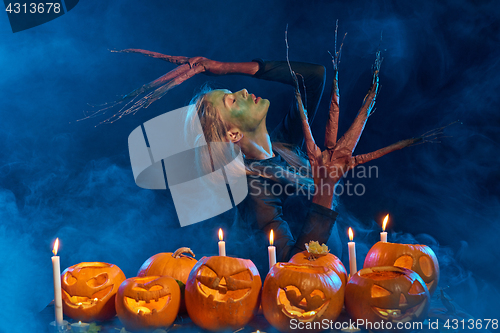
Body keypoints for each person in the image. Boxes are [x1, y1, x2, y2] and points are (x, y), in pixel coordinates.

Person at [184, 58, 344, 268]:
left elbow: (313, 76)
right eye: (231, 101)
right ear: (233, 134)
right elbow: (293, 266)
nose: (242, 91)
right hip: (312, 293)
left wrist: (227, 67)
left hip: (335, 281)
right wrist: (325, 190)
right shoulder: (254, 189)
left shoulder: (281, 147)